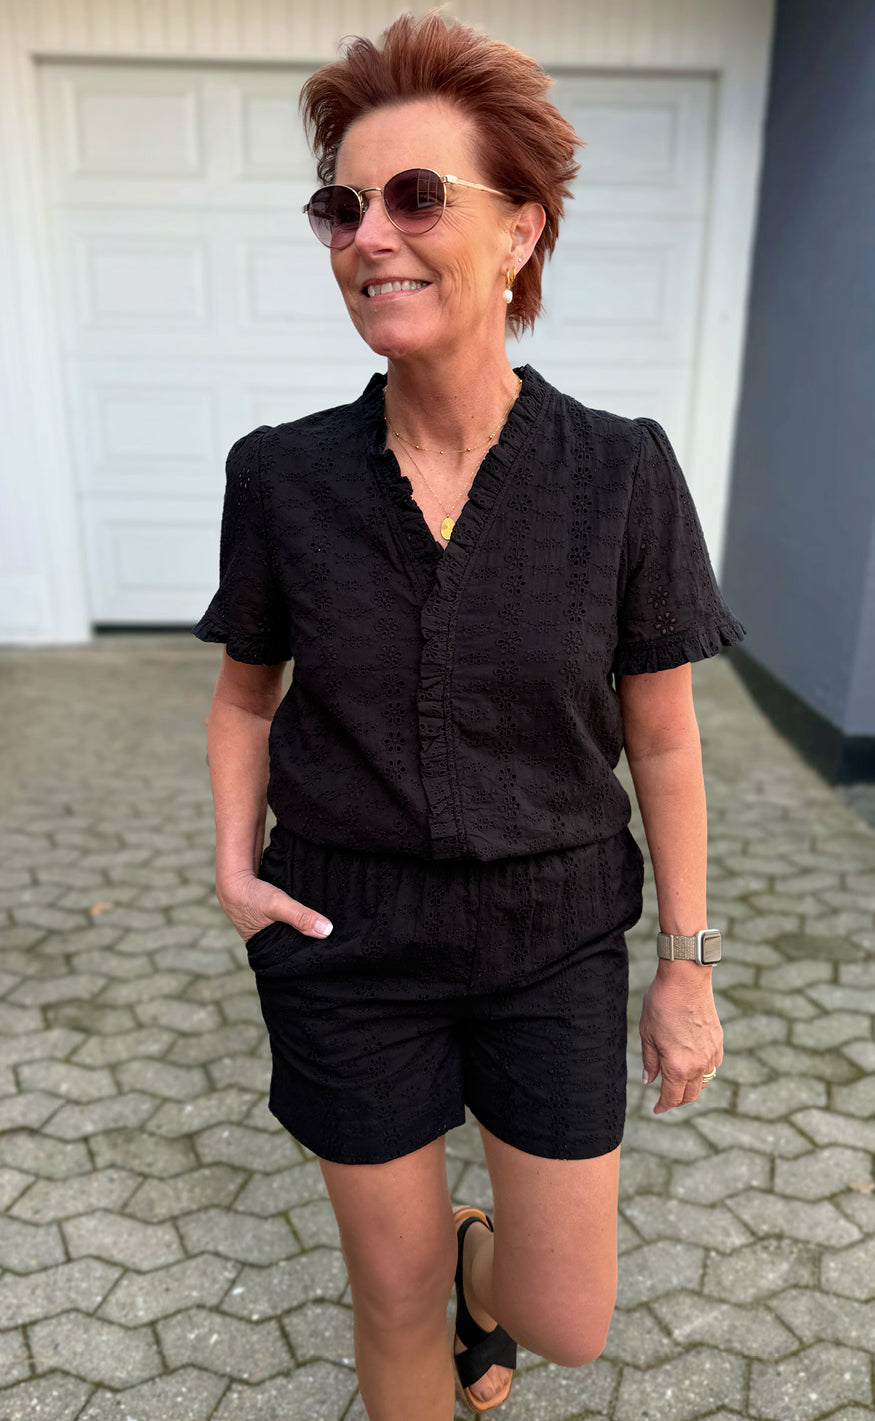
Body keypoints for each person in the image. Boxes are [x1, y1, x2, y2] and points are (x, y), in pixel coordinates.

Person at [192, 11, 746, 1419]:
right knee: (388, 1299)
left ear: (521, 232)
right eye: (342, 207)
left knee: (568, 1319)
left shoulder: (619, 473)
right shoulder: (282, 477)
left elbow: (664, 737)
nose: (368, 235)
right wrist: (237, 869)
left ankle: (479, 1262)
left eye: (416, 196)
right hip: (344, 937)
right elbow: (245, 694)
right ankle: (431, 1288)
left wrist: (686, 966)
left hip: (552, 934)